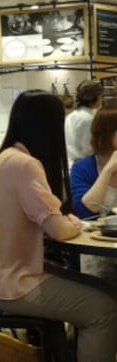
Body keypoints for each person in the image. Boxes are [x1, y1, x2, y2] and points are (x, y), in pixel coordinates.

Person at [0, 90, 117, 362]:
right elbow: (59, 230)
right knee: (103, 309)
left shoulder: (9, 157)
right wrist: (71, 223)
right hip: (3, 282)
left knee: (106, 292)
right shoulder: (25, 165)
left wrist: (64, 222)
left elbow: (48, 221)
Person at [69, 107, 117, 285]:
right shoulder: (83, 168)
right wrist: (108, 170)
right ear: (106, 134)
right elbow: (84, 211)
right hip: (96, 251)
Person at [65, 79, 103, 165]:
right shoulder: (88, 119)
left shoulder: (70, 116)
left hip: (71, 163)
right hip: (85, 165)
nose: (102, 99)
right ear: (94, 97)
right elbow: (89, 149)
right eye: (101, 96)